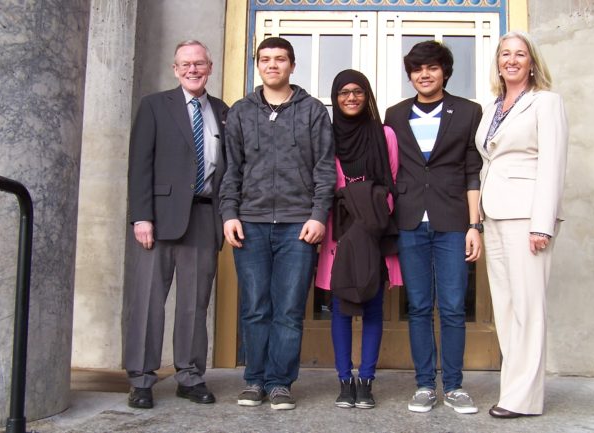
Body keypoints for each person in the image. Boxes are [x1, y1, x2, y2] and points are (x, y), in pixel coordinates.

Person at [219, 37, 336, 411]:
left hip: (297, 226)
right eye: (266, 59)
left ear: (292, 65)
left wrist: (318, 215)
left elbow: (324, 169)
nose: (273, 65)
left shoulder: (313, 111)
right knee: (254, 306)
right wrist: (229, 214)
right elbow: (230, 170)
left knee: (287, 308)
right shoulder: (240, 111)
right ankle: (254, 379)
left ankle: (280, 382)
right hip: (249, 224)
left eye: (280, 59)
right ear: (258, 65)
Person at [122, 40, 228, 409]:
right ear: (175, 68)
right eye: (185, 64)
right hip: (159, 218)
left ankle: (190, 376)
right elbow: (140, 165)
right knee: (149, 302)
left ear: (210, 68)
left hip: (203, 216)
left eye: (199, 63)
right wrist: (141, 217)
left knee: (194, 305)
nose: (193, 69)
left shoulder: (222, 110)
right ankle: (141, 379)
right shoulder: (155, 105)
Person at [384, 40, 483, 414]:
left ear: (444, 72)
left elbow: (472, 172)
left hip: (453, 221)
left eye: (432, 68)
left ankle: (455, 386)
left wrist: (475, 225)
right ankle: (425, 384)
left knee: (454, 306)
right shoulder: (394, 115)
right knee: (421, 306)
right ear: (411, 75)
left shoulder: (468, 112)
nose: (424, 75)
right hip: (409, 221)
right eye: (417, 69)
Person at [476, 31, 568, 419]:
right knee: (507, 306)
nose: (511, 60)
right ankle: (513, 390)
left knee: (528, 308)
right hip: (493, 215)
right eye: (505, 54)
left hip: (527, 216)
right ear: (498, 62)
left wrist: (542, 224)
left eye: (520, 54)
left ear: (532, 62)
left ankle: (523, 399)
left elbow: (553, 163)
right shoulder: (493, 105)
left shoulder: (545, 102)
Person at [315, 70, 402, 410]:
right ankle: (343, 379)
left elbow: (392, 182)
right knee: (340, 307)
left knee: (372, 306)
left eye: (358, 92)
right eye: (343, 93)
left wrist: (371, 215)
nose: (350, 98)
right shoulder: (327, 136)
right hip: (339, 233)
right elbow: (321, 182)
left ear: (367, 97)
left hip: (375, 232)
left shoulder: (386, 135)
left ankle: (366, 380)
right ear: (335, 98)